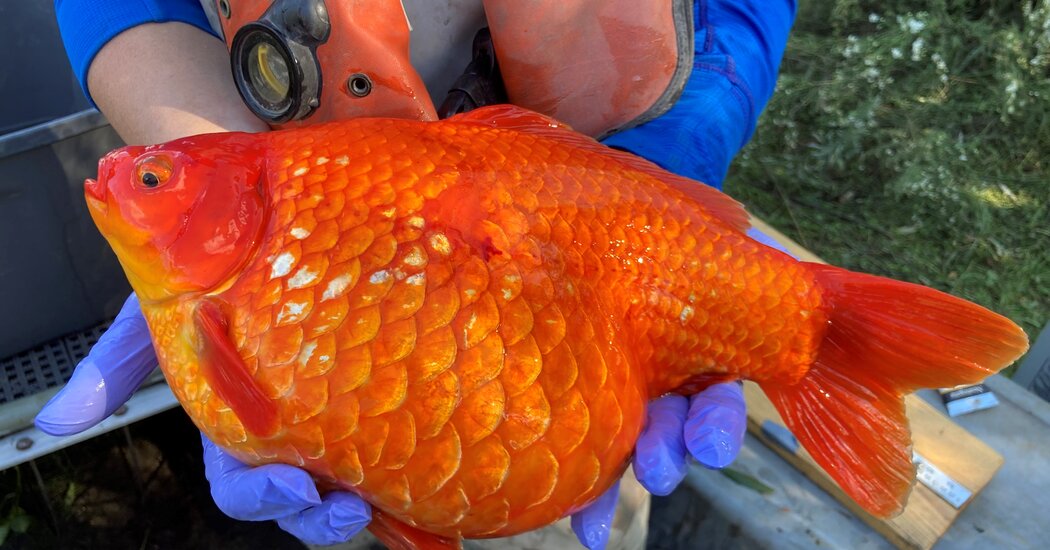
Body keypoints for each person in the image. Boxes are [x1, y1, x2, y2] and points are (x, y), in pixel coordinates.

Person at [38, 1, 796, 548]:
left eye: (150, 181)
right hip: (311, 193)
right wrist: (206, 167)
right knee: (343, 502)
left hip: (579, 284)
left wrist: (648, 185)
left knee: (574, 488)